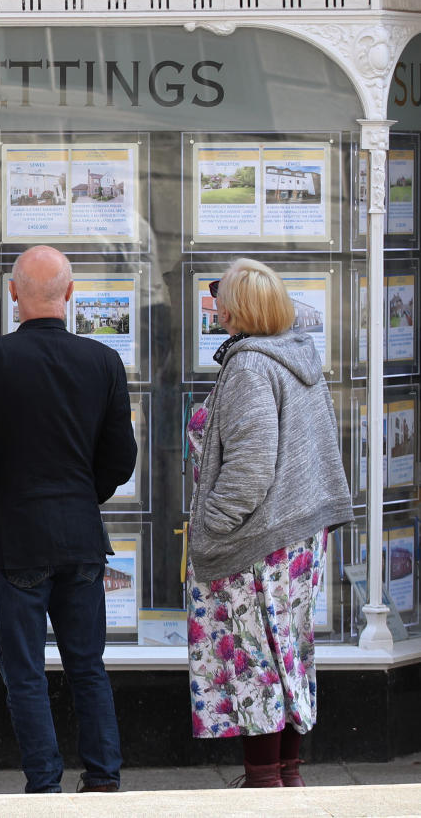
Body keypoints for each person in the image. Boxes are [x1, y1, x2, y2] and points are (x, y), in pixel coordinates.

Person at [0, 245, 137, 794]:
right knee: (88, 667)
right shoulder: (103, 362)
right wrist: (82, 498)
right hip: (80, 538)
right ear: (69, 294)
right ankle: (103, 781)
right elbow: (120, 460)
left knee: (26, 674)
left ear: (12, 294)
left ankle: (45, 788)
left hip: (17, 542)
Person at [186, 258, 352, 787]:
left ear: (237, 310)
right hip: (298, 534)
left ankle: (263, 783)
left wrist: (209, 527)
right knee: (289, 650)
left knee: (255, 655)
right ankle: (286, 775)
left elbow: (250, 467)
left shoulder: (251, 366)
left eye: (221, 297)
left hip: (258, 537)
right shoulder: (297, 354)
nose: (215, 305)